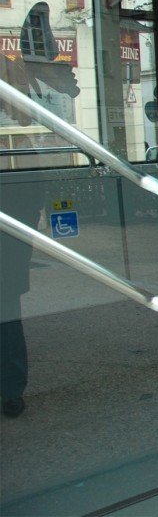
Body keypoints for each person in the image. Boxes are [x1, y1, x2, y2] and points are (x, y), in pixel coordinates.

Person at [0, 162, 43, 418]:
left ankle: (11, 390)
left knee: (7, 317)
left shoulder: (16, 156)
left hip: (8, 242)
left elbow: (33, 197)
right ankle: (11, 390)